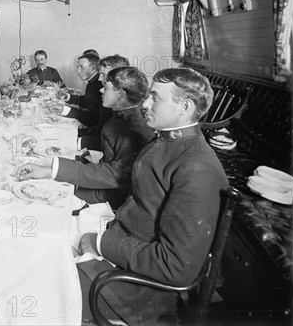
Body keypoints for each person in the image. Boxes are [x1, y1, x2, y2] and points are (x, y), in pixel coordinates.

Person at [75, 67, 229, 325]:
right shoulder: (167, 142)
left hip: (135, 291)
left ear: (185, 107)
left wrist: (100, 243)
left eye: (155, 97)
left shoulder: (197, 168)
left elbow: (176, 267)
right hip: (120, 252)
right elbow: (118, 175)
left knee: (37, 287)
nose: (144, 103)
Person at [17, 66, 154, 209]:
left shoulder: (131, 128)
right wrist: (50, 169)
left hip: (113, 199)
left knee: (43, 197)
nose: (101, 90)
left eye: (106, 87)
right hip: (105, 183)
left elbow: (117, 180)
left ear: (120, 94)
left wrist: (60, 178)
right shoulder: (123, 115)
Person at [78, 54, 131, 151]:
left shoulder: (123, 107)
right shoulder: (109, 98)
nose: (99, 78)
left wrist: (78, 142)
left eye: (103, 75)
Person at [49, 53, 104, 141]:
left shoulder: (98, 85)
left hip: (94, 134)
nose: (78, 71)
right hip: (93, 128)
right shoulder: (92, 82)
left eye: (82, 67)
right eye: (77, 67)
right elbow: (88, 101)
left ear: (93, 67)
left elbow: (91, 119)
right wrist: (68, 97)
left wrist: (65, 110)